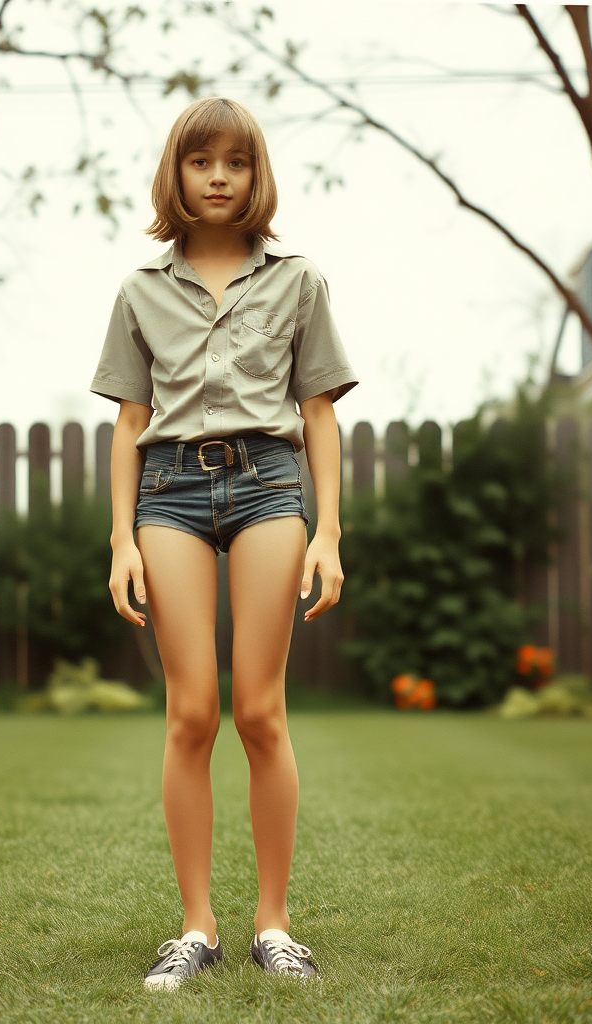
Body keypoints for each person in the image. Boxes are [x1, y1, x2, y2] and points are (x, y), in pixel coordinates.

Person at [89, 96, 358, 990]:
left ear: (254, 176)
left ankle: (273, 925)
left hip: (269, 486)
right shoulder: (139, 290)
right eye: (201, 161)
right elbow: (130, 420)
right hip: (167, 491)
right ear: (178, 173)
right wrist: (122, 538)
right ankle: (195, 926)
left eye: (234, 163)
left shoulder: (297, 280)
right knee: (192, 711)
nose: (217, 176)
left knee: (259, 711)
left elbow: (317, 411)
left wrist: (328, 531)